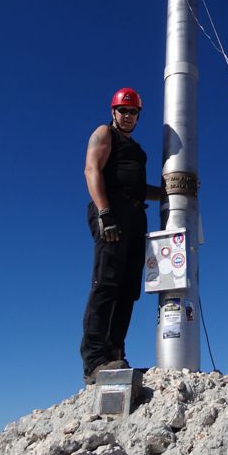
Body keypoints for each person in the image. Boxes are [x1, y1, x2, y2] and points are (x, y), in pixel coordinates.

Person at [80, 87, 162, 385]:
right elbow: (92, 170)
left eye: (133, 112)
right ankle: (94, 361)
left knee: (129, 289)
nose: (127, 116)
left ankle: (115, 352)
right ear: (113, 112)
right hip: (111, 212)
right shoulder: (104, 134)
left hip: (135, 216)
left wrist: (171, 191)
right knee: (107, 284)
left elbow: (139, 190)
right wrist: (104, 213)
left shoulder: (137, 150)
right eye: (123, 111)